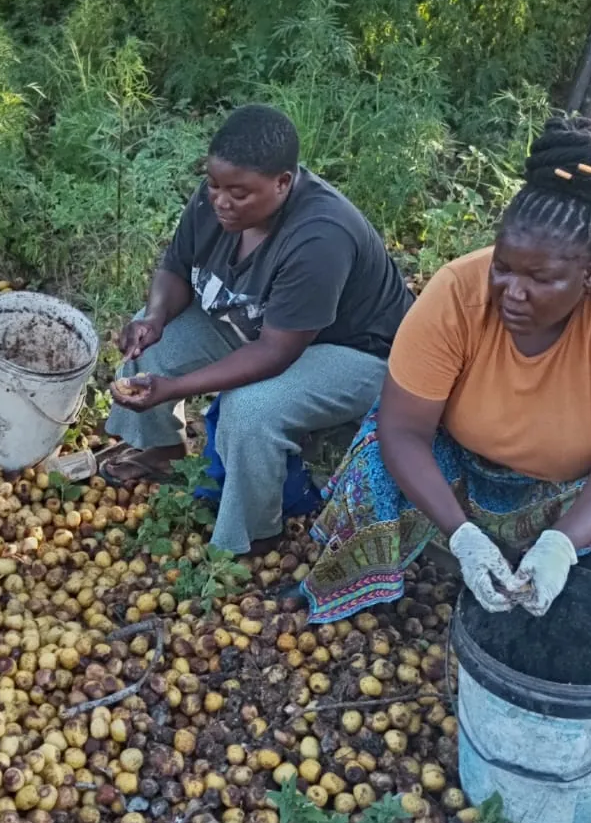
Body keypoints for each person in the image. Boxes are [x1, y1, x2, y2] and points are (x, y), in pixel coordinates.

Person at [300, 116, 591, 625]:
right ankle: (376, 600)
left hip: (579, 486)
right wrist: (462, 537)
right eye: (503, 267)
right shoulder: (456, 293)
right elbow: (402, 429)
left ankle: (566, 632)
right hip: (463, 467)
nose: (512, 291)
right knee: (374, 465)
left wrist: (562, 543)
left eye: (541, 278)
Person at [104, 104, 414, 556]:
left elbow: (275, 353)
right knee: (152, 345)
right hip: (263, 323)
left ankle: (252, 538)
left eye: (239, 193)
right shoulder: (217, 200)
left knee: (250, 411)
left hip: (357, 353)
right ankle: (162, 454)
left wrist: (174, 387)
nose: (222, 201)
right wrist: (152, 317)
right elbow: (176, 265)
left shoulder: (319, 237)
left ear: (283, 183)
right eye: (214, 185)